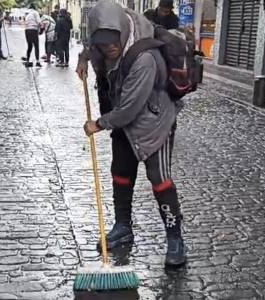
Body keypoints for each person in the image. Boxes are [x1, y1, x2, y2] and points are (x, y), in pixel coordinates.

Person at [77, 0, 186, 267]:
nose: (110, 47)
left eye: (114, 41)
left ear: (123, 31)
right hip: (124, 124)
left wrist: (98, 124)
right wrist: (83, 59)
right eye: (103, 43)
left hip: (154, 122)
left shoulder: (144, 58)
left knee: (159, 179)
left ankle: (175, 239)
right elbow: (91, 47)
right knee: (121, 173)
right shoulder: (102, 42)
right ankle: (122, 227)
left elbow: (128, 110)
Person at [23, 3, 41, 67]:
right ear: (34, 7)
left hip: (27, 30)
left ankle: (27, 60)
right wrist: (39, 29)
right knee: (36, 46)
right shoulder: (35, 13)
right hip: (33, 30)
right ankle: (37, 61)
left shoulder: (26, 13)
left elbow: (24, 22)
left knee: (29, 46)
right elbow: (39, 22)